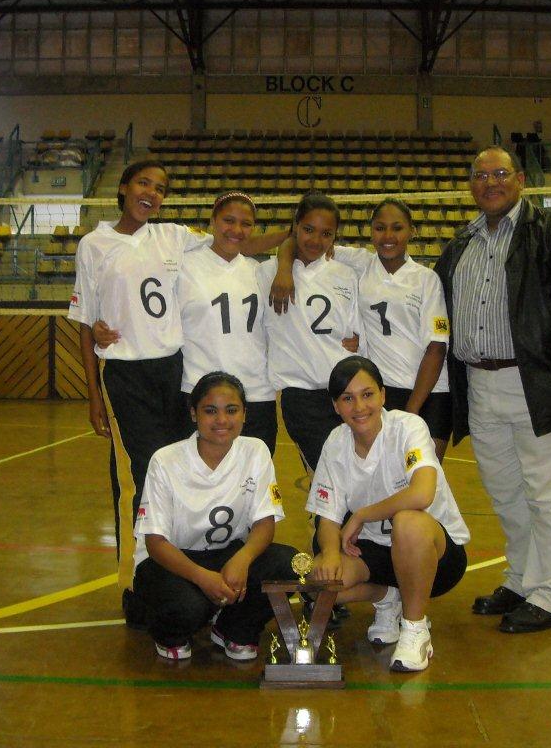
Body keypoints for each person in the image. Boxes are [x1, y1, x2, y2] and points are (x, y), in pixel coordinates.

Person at [433, 145, 551, 633]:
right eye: (480, 175)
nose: (490, 182)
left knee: (550, 494)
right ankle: (521, 579)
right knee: (507, 493)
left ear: (520, 181)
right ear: (469, 185)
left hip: (542, 383)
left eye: (500, 173)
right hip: (480, 386)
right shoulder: (459, 246)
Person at [70, 161, 284, 560]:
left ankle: (180, 561)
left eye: (160, 187)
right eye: (143, 183)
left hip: (173, 372)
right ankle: (136, 573)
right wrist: (94, 394)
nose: (151, 192)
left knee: (175, 475)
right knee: (139, 474)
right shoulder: (94, 245)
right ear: (123, 187)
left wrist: (294, 238)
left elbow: (238, 243)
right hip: (126, 371)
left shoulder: (174, 237)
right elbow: (85, 322)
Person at [306, 356, 469, 673]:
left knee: (409, 521)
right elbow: (326, 516)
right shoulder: (336, 443)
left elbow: (422, 493)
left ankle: (415, 628)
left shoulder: (408, 427)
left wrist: (363, 514)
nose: (359, 407)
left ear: (383, 395)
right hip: (376, 554)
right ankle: (388, 596)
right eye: (347, 398)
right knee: (319, 581)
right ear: (336, 406)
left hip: (436, 554)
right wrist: (328, 553)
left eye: (367, 394)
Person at [131, 371, 296, 661]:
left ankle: (233, 628)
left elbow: (264, 523)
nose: (221, 420)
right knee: (188, 607)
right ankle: (170, 633)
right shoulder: (166, 460)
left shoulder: (255, 451)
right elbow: (155, 541)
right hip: (171, 561)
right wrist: (203, 578)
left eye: (231, 410)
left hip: (227, 555)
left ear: (245, 414)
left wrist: (242, 560)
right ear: (194, 414)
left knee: (287, 564)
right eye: (210, 411)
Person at [274, 198, 451, 459]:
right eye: (380, 228)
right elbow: (296, 241)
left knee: (423, 479)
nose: (388, 236)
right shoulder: (360, 263)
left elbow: (436, 349)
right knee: (384, 479)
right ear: (371, 231)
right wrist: (284, 270)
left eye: (397, 228)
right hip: (381, 394)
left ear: (412, 231)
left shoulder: (426, 279)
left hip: (429, 393)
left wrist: (410, 412)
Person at [256, 191, 361, 473]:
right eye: (308, 230)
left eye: (326, 233)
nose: (315, 240)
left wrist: (359, 342)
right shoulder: (266, 274)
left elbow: (356, 334)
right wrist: (283, 264)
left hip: (345, 392)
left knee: (357, 476)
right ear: (295, 227)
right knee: (328, 477)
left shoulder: (346, 275)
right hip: (301, 396)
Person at [174, 192, 277, 455]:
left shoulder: (260, 271)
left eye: (246, 224)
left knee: (253, 481)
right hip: (201, 390)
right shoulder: (184, 267)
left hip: (256, 393)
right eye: (228, 221)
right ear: (213, 221)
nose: (237, 230)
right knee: (199, 481)